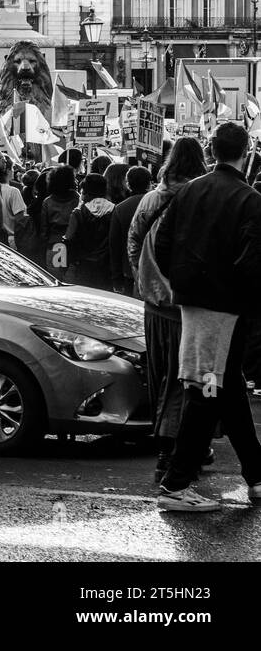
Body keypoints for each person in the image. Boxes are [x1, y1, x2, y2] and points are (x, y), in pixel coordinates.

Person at [152, 123, 261, 512]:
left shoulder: (190, 191)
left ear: (213, 150)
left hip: (194, 300)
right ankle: (176, 484)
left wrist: (184, 280)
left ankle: (257, 474)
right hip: (225, 305)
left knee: (224, 385)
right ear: (245, 153)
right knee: (207, 388)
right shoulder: (249, 199)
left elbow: (160, 244)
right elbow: (252, 262)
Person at [127, 137, 207, 486]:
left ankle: (173, 448)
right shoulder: (201, 199)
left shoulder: (151, 199)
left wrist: (146, 277)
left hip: (154, 303)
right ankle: (174, 452)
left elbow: (133, 243)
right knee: (188, 380)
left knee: (162, 376)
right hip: (189, 305)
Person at [64, 173, 114, 289]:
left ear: (85, 191)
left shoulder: (78, 213)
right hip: (107, 266)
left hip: (83, 265)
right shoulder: (115, 210)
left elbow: (69, 238)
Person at [108, 165, 152, 296]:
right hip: (153, 270)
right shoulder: (156, 204)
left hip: (129, 271)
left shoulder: (120, 208)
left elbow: (114, 245)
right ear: (149, 183)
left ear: (128, 184)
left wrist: (116, 277)